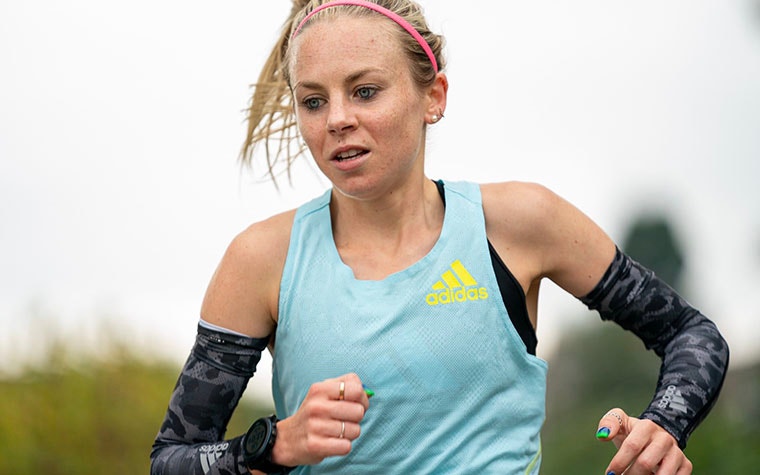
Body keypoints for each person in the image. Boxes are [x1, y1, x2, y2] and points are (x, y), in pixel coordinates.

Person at [150, 1, 729, 474]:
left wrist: (663, 426)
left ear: (434, 97)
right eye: (314, 101)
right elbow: (171, 460)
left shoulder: (518, 223)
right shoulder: (262, 260)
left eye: (366, 91)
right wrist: (272, 446)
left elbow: (691, 334)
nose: (337, 120)